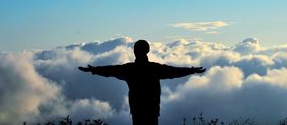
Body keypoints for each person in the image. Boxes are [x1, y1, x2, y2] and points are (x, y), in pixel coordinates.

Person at [78, 39, 206, 125]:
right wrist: (191, 70)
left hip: (138, 110)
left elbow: (111, 70)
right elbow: (174, 71)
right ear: (147, 51)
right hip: (151, 110)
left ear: (136, 51)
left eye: (135, 49)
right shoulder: (154, 68)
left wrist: (93, 70)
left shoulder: (129, 69)